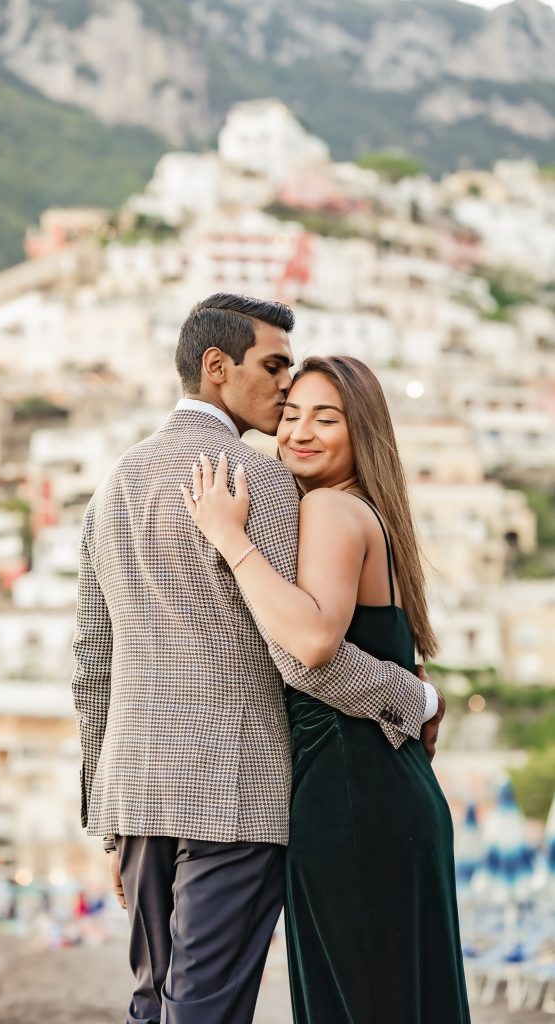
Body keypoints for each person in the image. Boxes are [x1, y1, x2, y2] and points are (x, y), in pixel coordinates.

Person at [71, 294, 443, 1024]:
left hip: (135, 791)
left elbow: (92, 667)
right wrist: (414, 699)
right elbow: (306, 658)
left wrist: (108, 819)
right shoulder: (263, 482)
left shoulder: (111, 486)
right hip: (235, 794)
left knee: (152, 1005)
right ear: (217, 368)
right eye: (272, 366)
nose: (283, 386)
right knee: (205, 1008)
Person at [182, 354, 471, 1024]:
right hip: (383, 791)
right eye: (289, 416)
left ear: (360, 431)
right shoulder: (365, 511)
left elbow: (311, 645)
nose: (298, 432)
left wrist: (229, 536)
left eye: (324, 417)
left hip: (349, 798)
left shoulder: (331, 511)